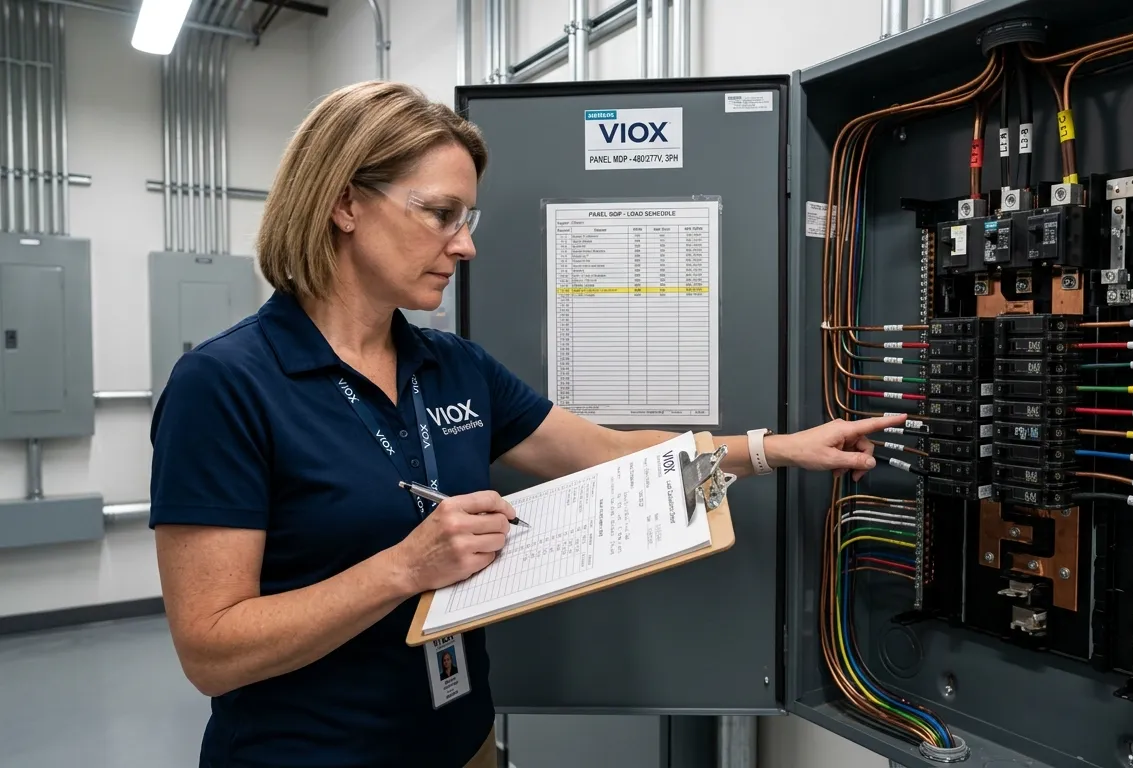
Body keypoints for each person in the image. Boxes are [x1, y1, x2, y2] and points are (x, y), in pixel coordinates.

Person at [149, 80, 905, 768]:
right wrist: (404, 569)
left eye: (467, 217)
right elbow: (213, 650)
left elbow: (606, 455)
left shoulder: (452, 367)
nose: (466, 243)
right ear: (345, 203)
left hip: (462, 740)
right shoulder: (226, 384)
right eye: (440, 214)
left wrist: (774, 451)